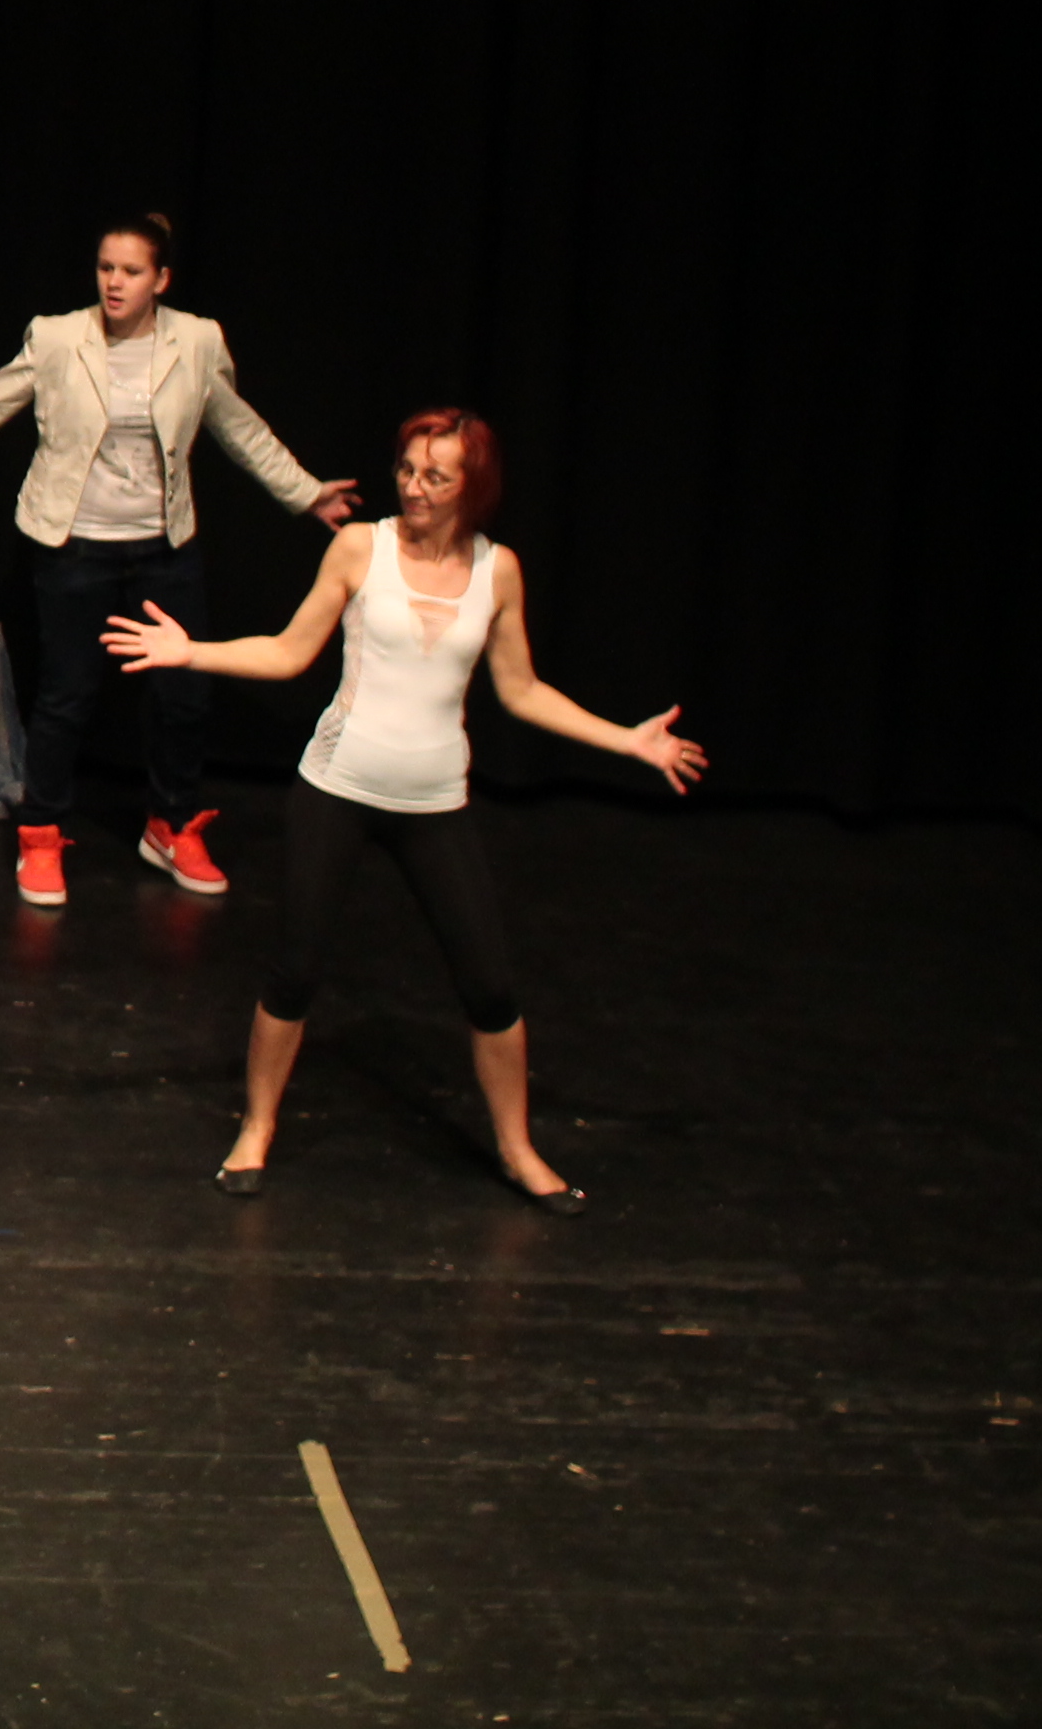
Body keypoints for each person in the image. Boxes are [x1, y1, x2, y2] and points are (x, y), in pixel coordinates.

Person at [104, 407, 705, 1214]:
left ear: (472, 487)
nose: (414, 487)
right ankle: (257, 1127)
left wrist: (627, 741)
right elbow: (289, 651)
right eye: (408, 469)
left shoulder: (498, 571)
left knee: (490, 985)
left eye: (436, 476)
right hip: (337, 788)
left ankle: (518, 1148)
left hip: (434, 802)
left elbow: (522, 690)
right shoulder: (362, 548)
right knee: (295, 970)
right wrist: (190, 653)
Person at [0, 210, 355, 908]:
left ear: (161, 279)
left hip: (164, 548)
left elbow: (238, 425)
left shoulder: (197, 341)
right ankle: (41, 831)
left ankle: (171, 825)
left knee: (183, 696)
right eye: (106, 268)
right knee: (68, 694)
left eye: (131, 271)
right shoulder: (57, 337)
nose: (114, 282)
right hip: (73, 547)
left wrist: (304, 492)